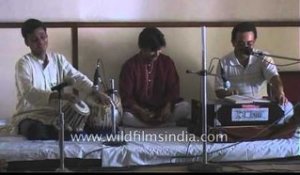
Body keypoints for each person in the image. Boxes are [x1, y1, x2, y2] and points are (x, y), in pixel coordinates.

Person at [9, 18, 111, 140]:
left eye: (43, 37)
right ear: (27, 42)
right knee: (35, 130)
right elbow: (29, 93)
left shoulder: (58, 60)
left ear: (47, 36)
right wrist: (61, 96)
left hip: (55, 114)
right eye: (34, 40)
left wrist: (96, 92)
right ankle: (62, 132)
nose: (40, 42)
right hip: (30, 116)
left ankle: (64, 132)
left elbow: (77, 78)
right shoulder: (23, 64)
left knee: (90, 125)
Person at [215, 22, 294, 125]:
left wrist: (280, 92)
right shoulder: (224, 62)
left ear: (254, 42)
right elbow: (218, 91)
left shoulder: (263, 57)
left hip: (260, 105)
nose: (245, 47)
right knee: (215, 114)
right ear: (233, 42)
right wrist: (229, 93)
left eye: (249, 43)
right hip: (234, 106)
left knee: (288, 107)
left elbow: (274, 78)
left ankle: (276, 133)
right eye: (241, 43)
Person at [119, 27, 190, 127]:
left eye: (159, 50)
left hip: (162, 109)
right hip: (139, 111)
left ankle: (151, 125)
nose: (156, 54)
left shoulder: (167, 62)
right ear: (142, 48)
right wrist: (140, 111)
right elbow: (126, 96)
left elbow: (173, 89)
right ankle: (167, 125)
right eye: (152, 50)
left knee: (185, 107)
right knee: (126, 117)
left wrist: (168, 107)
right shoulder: (130, 66)